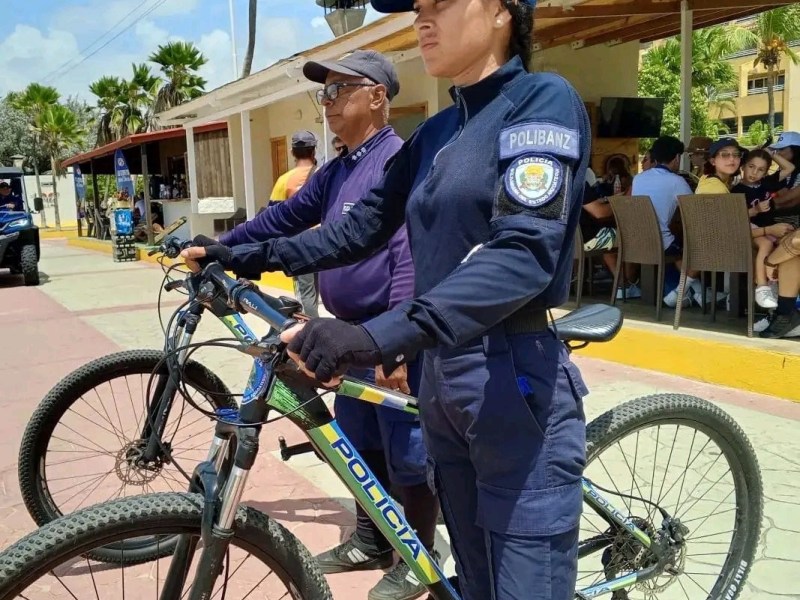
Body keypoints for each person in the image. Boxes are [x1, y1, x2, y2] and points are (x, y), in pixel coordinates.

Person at [183, 0, 590, 598]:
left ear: (503, 12)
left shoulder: (539, 102)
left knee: (526, 581)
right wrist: (238, 255)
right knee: (473, 575)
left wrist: (377, 335)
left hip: (510, 370)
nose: (423, 19)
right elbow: (356, 229)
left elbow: (524, 254)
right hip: (443, 372)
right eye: (418, 9)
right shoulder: (439, 131)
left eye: (441, 5)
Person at [218, 49, 439, 600]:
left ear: (378, 96)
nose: (329, 101)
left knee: (408, 453)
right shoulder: (338, 167)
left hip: (389, 330)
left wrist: (399, 344)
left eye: (341, 89)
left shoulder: (396, 161)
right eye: (325, 92)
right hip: (349, 330)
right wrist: (221, 248)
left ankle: (421, 553)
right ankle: (371, 538)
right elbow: (283, 218)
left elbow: (407, 251)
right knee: (359, 440)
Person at [731, 148, 796, 309]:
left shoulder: (767, 184)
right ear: (743, 166)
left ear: (766, 172)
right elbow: (735, 219)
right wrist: (756, 210)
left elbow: (790, 168)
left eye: (761, 170)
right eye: (751, 166)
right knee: (766, 245)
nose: (754, 172)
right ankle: (762, 287)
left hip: (770, 228)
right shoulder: (736, 190)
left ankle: (776, 288)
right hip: (751, 230)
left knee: (789, 245)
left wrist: (771, 153)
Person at [269, 130, 321, 317]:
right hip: (324, 240)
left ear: (292, 152)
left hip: (299, 243)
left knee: (304, 291)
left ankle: (311, 329)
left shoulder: (284, 181)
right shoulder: (324, 175)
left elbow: (272, 215)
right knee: (314, 290)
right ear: (314, 150)